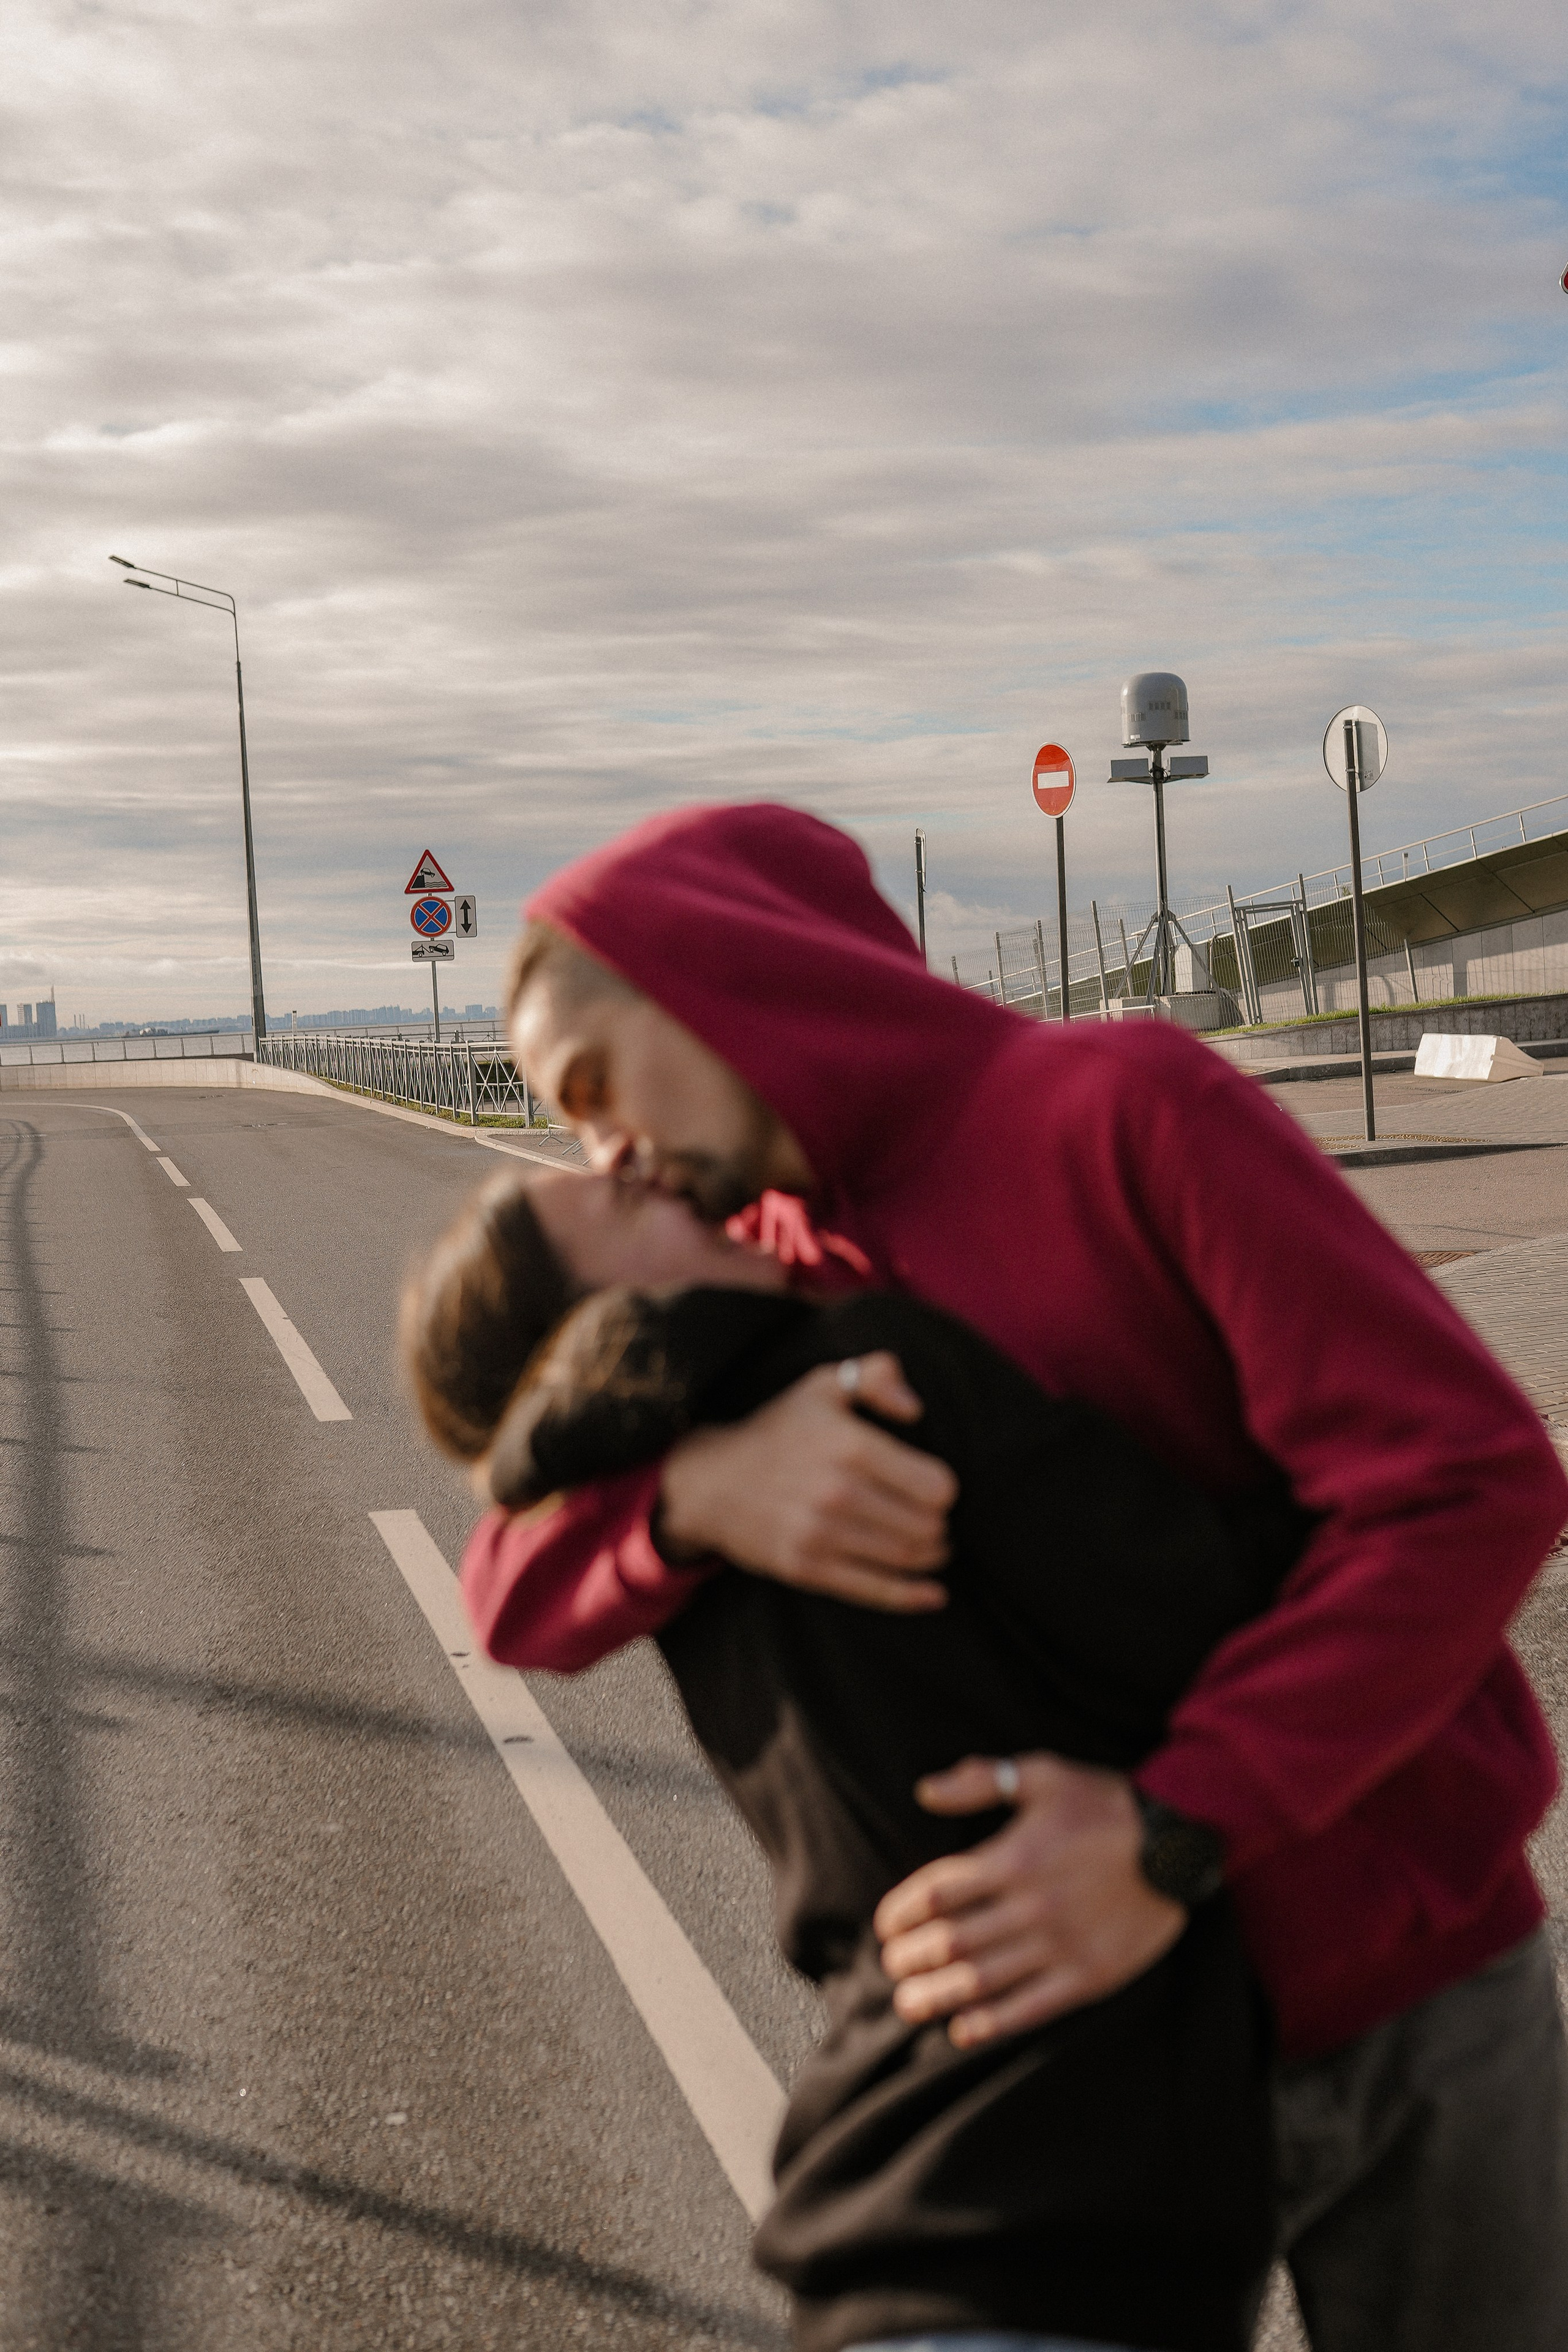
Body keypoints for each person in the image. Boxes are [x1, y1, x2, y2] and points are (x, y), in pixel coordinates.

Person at [464, 802, 1568, 2352]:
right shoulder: (759, 1259)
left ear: (721, 978)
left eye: (592, 1086)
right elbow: (507, 1589)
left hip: (1394, 1984)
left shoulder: (1120, 1108)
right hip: (1089, 2076)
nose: (605, 1152)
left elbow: (1463, 1482)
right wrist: (693, 1494)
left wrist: (1171, 1827)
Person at [409, 1163, 1311, 2351]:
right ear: (598, 1316)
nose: (649, 1175)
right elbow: (1247, 1602)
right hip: (1062, 2211)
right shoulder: (876, 1377)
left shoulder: (680, 1513)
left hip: (906, 2226)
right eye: (622, 1207)